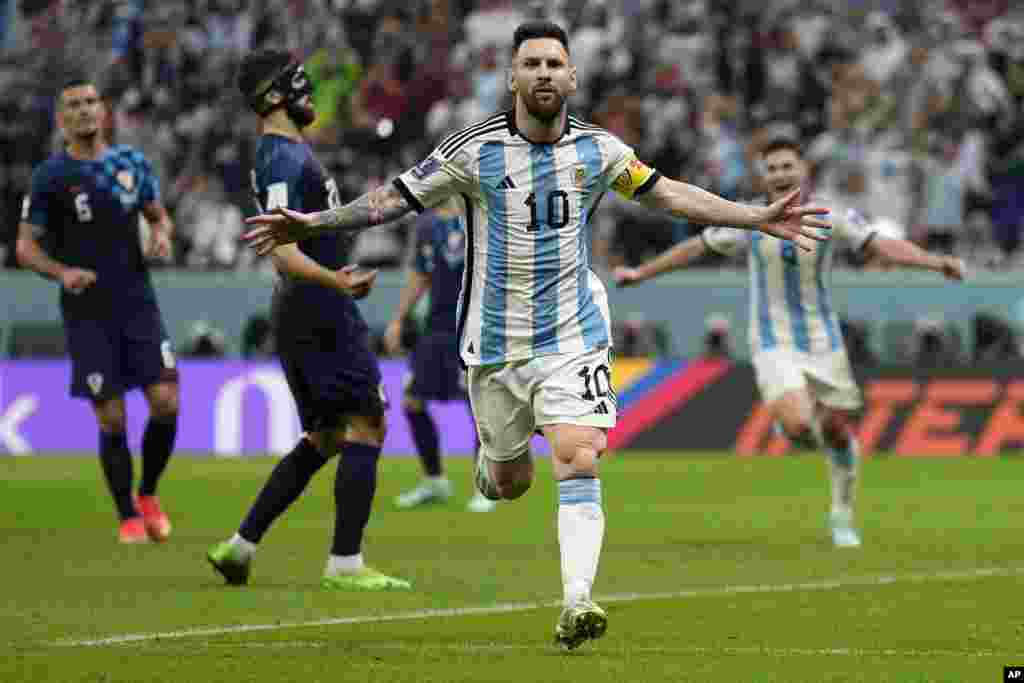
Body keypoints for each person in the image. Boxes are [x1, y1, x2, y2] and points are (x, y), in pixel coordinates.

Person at [243, 22, 828, 650]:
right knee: (508, 483)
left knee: (579, 454)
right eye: (532, 63)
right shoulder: (473, 151)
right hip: (493, 346)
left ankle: (577, 602)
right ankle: (490, 466)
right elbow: (392, 199)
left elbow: (669, 196)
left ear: (573, 77)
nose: (545, 73)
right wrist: (313, 223)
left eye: (555, 63)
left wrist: (754, 216)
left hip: (571, 335)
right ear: (513, 77)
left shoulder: (599, 152)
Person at [615, 137, 965, 548]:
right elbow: (696, 247)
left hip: (823, 339)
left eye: (787, 166)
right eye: (772, 168)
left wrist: (935, 262)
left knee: (835, 432)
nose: (780, 174)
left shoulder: (830, 215)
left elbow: (880, 244)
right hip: (771, 337)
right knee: (800, 425)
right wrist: (641, 273)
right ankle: (792, 418)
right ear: (763, 176)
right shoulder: (749, 220)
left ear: (804, 171)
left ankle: (841, 514)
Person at [206, 49, 410, 592]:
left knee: (323, 436)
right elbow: (279, 249)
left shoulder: (289, 154)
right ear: (273, 97)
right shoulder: (280, 158)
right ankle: (346, 563)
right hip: (316, 307)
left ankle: (240, 547)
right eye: (299, 85)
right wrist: (336, 281)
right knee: (367, 423)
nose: (310, 95)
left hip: (305, 307)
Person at [16, 77, 179, 545]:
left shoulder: (130, 163)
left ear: (104, 110)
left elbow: (156, 214)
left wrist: (163, 234)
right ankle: (127, 513)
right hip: (87, 311)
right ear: (61, 118)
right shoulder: (51, 176)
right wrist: (62, 272)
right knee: (111, 418)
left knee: (166, 402)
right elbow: (26, 249)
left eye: (91, 102)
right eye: (74, 105)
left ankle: (148, 494)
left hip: (137, 301)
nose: (85, 110)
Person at [384, 198, 497, 513]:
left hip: (475, 326)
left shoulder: (484, 218)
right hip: (436, 327)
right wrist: (398, 318)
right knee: (412, 401)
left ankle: (484, 487)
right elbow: (421, 275)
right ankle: (435, 480)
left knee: (479, 407)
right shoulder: (428, 226)